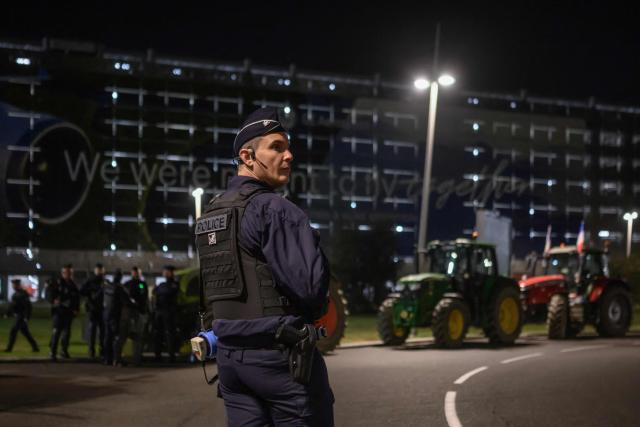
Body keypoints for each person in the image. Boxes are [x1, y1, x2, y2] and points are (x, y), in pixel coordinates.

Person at [196, 107, 334, 426]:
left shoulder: (211, 215)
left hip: (230, 362)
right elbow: (311, 290)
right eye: (277, 147)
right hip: (280, 360)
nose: (288, 155)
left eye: (287, 147)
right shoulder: (275, 210)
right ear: (247, 155)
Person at [46, 264, 80, 361]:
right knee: (56, 332)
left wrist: (76, 309)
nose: (68, 275)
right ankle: (53, 352)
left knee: (66, 333)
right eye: (66, 273)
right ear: (62, 273)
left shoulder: (72, 285)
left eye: (70, 273)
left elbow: (76, 298)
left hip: (68, 312)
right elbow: (48, 293)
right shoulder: (57, 283)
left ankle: (64, 351)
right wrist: (53, 300)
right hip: (59, 311)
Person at [103, 269, 131, 366]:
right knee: (116, 338)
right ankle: (117, 359)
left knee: (108, 337)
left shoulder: (107, 287)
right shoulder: (119, 288)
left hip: (106, 315)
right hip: (115, 315)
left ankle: (107, 359)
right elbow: (127, 301)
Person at [152, 265, 180, 362]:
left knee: (169, 333)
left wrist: (160, 291)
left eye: (167, 271)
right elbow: (155, 292)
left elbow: (168, 291)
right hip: (159, 311)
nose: (165, 273)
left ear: (171, 273)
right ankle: (157, 355)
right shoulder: (162, 284)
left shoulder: (174, 284)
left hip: (169, 312)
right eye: (165, 271)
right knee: (158, 334)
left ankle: (171, 356)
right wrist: (160, 291)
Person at [4, 279, 39, 353]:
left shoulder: (23, 294)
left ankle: (9, 348)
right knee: (25, 333)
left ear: (18, 285)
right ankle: (35, 347)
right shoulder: (16, 294)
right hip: (18, 316)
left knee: (13, 331)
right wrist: (8, 313)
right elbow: (12, 305)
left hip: (21, 316)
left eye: (14, 285)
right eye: (13, 285)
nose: (13, 286)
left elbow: (28, 306)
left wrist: (26, 317)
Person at [80, 263, 106, 358]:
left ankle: (102, 349)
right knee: (93, 330)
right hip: (93, 308)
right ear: (95, 270)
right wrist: (90, 296)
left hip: (102, 309)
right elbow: (82, 291)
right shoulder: (90, 281)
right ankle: (91, 350)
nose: (100, 272)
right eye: (99, 270)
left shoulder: (104, 281)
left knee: (102, 330)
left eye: (101, 270)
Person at [123, 266, 148, 364]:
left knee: (138, 335)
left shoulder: (142, 284)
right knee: (127, 335)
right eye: (134, 272)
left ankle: (137, 356)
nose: (136, 274)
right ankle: (129, 356)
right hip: (129, 313)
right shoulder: (127, 284)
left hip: (139, 313)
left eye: (137, 272)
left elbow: (144, 297)